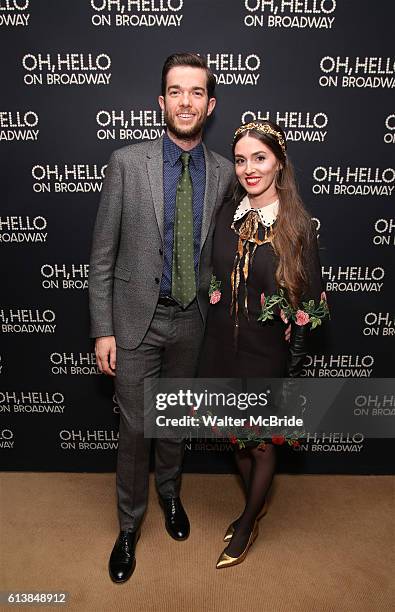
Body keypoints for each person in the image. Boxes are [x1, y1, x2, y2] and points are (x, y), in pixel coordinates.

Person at [88, 53, 234, 583]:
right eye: (176, 91)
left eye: (197, 92)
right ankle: (129, 525)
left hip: (192, 322)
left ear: (210, 104)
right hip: (134, 322)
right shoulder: (127, 163)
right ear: (161, 102)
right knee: (135, 429)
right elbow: (103, 254)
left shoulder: (224, 173)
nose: (186, 102)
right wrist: (102, 327)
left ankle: (170, 495)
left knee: (173, 421)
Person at [198, 120, 326, 569]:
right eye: (240, 159)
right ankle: (253, 508)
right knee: (237, 439)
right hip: (221, 348)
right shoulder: (225, 214)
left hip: (267, 353)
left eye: (259, 158)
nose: (249, 168)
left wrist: (293, 366)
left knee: (263, 445)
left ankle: (249, 520)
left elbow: (308, 305)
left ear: (279, 163)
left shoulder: (296, 227)